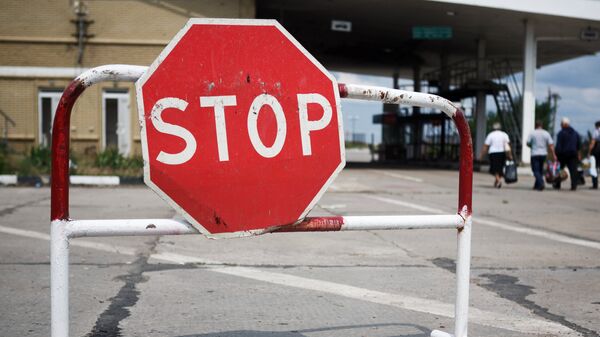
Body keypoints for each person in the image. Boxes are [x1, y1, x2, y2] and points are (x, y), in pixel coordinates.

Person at [480, 122, 512, 188]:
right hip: (502, 152)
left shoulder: (491, 135)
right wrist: (510, 155)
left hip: (493, 153)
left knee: (494, 168)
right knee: (500, 167)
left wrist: (482, 155)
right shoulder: (504, 134)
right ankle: (497, 181)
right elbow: (508, 145)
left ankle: (498, 180)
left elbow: (486, 146)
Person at [526, 120, 556, 191]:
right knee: (540, 170)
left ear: (535, 125)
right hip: (543, 154)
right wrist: (554, 154)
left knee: (535, 170)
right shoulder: (546, 133)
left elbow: (527, 143)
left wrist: (532, 146)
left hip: (534, 154)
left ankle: (541, 183)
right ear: (542, 125)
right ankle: (536, 185)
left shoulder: (532, 133)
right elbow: (551, 145)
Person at [554, 117, 581, 191]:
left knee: (560, 169)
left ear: (563, 124)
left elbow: (558, 145)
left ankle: (557, 184)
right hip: (573, 154)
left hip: (563, 154)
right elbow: (579, 143)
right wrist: (578, 153)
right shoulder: (575, 133)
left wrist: (556, 154)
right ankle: (574, 185)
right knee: (573, 170)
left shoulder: (561, 133)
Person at [588, 120, 600, 189]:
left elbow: (593, 142)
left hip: (597, 149)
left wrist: (589, 152)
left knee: (594, 167)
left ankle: (595, 184)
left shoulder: (596, 131)